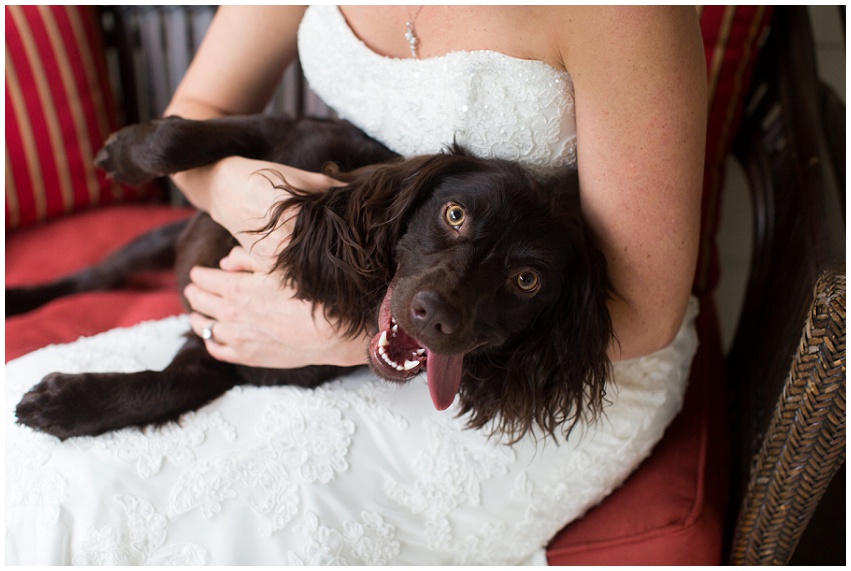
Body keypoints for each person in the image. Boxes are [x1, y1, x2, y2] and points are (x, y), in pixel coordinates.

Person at [6, 6, 707, 565]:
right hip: (344, 265)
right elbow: (203, 107)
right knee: (21, 455)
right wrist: (251, 192)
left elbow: (643, 312)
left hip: (538, 364)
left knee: (89, 501)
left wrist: (350, 331)